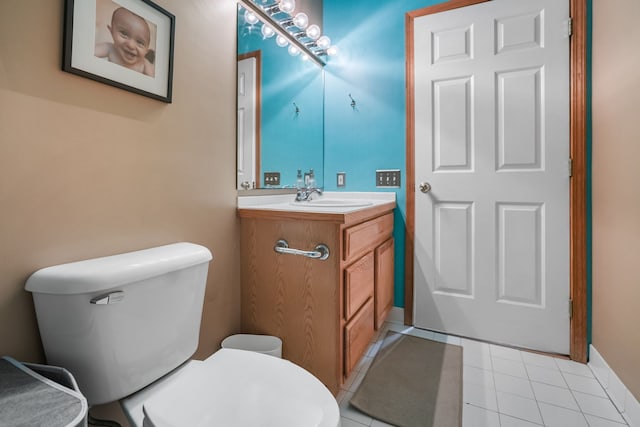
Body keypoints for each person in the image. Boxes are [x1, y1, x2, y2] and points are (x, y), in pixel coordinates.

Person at [95, 7, 155, 77]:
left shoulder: (144, 64)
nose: (131, 45)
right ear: (112, 32)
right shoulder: (110, 49)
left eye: (140, 42)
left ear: (146, 51)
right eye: (124, 34)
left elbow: (154, 84)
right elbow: (87, 54)